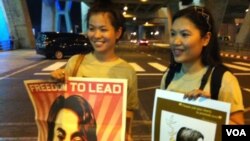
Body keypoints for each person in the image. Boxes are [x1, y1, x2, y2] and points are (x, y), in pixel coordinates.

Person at [51, 1, 139, 140]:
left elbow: (128, 112)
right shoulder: (75, 62)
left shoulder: (127, 71)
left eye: (103, 29)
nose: (96, 35)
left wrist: (127, 134)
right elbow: (61, 102)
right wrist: (57, 80)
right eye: (92, 28)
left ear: (118, 32)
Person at [160, 6, 244, 125]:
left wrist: (211, 112)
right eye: (173, 34)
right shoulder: (169, 75)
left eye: (184, 34)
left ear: (205, 38)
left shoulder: (223, 80)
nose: (175, 42)